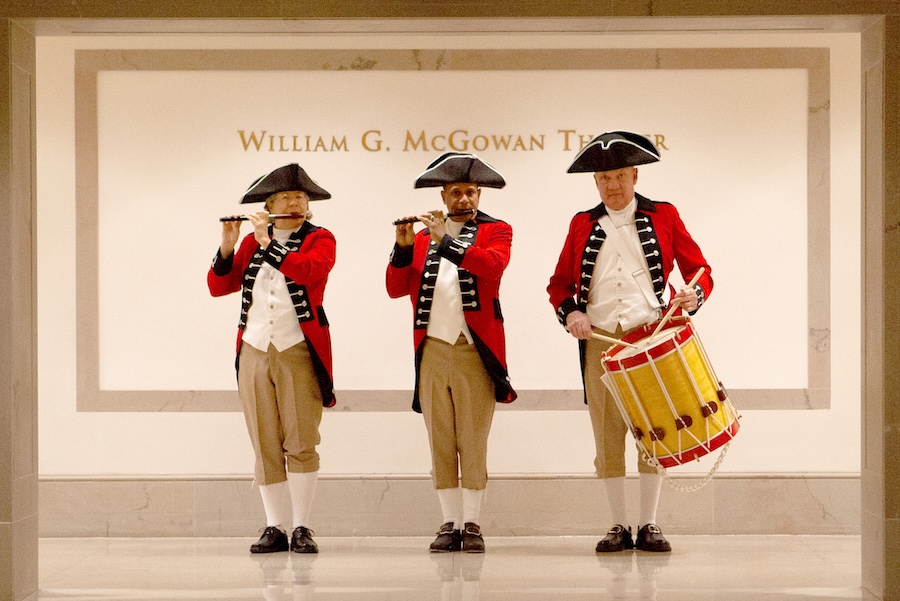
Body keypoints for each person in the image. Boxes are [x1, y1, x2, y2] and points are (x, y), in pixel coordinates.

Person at [547, 131, 713, 553]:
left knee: (653, 431)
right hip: (601, 340)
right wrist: (573, 313)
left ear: (635, 175)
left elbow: (700, 269)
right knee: (607, 434)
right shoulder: (581, 223)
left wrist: (693, 294)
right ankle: (617, 524)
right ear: (595, 183)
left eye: (620, 175)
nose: (612, 185)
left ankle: (650, 524)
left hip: (650, 337)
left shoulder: (665, 215)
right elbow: (559, 284)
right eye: (604, 178)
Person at [386, 152, 516, 553]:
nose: (465, 199)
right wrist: (403, 248)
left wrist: (445, 239)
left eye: (472, 192)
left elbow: (491, 267)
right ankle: (448, 522)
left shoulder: (498, 230)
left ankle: (473, 523)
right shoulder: (423, 237)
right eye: (457, 192)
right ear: (443, 195)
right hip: (433, 350)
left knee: (473, 440)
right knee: (440, 440)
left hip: (474, 349)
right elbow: (394, 288)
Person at [208, 163, 336, 555]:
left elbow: (309, 272)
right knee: (264, 441)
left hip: (297, 348)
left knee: (300, 440)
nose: (295, 203)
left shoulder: (320, 238)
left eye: (300, 197)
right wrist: (230, 244)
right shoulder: (250, 243)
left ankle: (301, 526)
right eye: (286, 198)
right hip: (254, 348)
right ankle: (274, 526)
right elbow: (219, 287)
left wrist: (267, 241)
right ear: (271, 203)